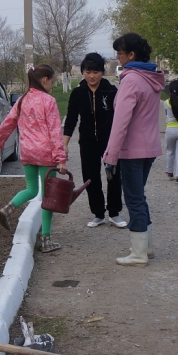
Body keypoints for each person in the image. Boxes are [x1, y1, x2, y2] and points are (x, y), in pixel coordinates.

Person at [104, 33, 165, 267]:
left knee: (133, 199)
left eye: (119, 53)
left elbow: (121, 122)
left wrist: (110, 155)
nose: (117, 57)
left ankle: (138, 254)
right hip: (149, 148)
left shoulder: (131, 80)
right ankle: (145, 248)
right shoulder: (152, 78)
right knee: (140, 197)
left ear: (131, 55)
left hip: (131, 150)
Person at [0, 64, 68, 252]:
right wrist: (61, 158)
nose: (52, 84)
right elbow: (55, 131)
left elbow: (7, 125)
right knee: (48, 197)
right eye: (52, 81)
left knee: (31, 189)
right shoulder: (48, 101)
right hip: (46, 154)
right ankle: (46, 239)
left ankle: (9, 208)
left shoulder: (22, 100)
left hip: (27, 152)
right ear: (44, 80)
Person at [63, 52, 126, 228]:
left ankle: (114, 212)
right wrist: (65, 144)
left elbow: (120, 117)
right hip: (87, 142)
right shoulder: (77, 93)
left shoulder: (111, 90)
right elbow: (71, 119)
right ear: (83, 72)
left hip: (110, 142)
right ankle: (98, 213)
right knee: (91, 177)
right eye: (88, 72)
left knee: (113, 176)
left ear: (102, 72)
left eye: (96, 72)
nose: (92, 76)